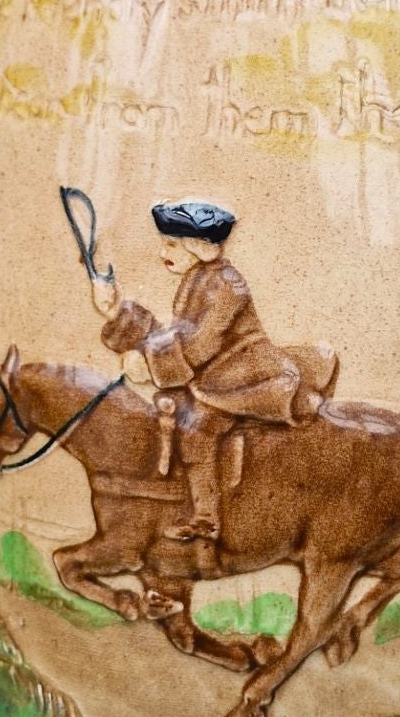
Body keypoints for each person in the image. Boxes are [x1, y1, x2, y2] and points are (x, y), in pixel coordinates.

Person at [90, 199, 303, 542]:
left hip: (243, 377)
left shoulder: (226, 287)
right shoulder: (198, 279)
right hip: (215, 374)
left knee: (195, 431)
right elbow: (176, 332)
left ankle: (206, 519)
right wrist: (116, 310)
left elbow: (201, 344)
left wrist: (150, 364)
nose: (163, 253)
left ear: (199, 247)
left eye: (171, 244)